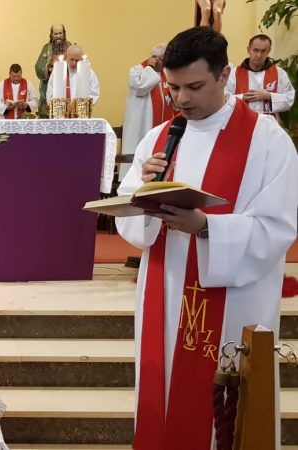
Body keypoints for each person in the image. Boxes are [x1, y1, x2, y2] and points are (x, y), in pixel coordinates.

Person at [116, 27, 297, 449]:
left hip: (235, 301)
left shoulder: (269, 142)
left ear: (223, 77)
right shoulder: (158, 138)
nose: (181, 99)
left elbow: (279, 228)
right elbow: (129, 215)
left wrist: (207, 227)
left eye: (194, 86)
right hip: (165, 288)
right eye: (174, 87)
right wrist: (142, 195)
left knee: (227, 419)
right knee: (163, 394)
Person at [121, 44, 174, 177]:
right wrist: (150, 67)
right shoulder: (137, 70)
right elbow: (140, 87)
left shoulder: (166, 74)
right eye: (164, 60)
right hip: (142, 126)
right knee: (140, 166)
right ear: (156, 58)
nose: (166, 64)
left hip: (162, 125)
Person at [226, 34, 295, 116]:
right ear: (248, 50)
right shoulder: (234, 73)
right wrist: (242, 97)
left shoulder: (279, 73)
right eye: (256, 50)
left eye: (263, 51)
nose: (259, 55)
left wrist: (269, 96)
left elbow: (289, 99)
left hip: (269, 125)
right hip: (242, 124)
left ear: (269, 51)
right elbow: (223, 98)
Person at [34, 24, 70, 118]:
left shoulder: (70, 47)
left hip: (67, 85)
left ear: (64, 34)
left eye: (60, 33)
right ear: (51, 35)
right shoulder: (47, 48)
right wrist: (49, 69)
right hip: (51, 86)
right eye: (55, 34)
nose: (58, 36)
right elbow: (39, 67)